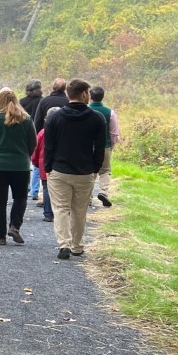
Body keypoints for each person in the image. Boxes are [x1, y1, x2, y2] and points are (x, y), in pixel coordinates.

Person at [44, 78, 106, 260]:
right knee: (79, 210)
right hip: (85, 171)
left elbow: (49, 146)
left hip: (59, 170)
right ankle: (77, 246)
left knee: (61, 209)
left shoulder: (55, 117)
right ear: (84, 94)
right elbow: (100, 147)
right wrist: (96, 168)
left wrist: (48, 167)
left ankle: (63, 243)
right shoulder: (96, 118)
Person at [0, 87, 37, 246]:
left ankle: (0, 237)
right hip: (19, 165)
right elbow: (33, 144)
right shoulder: (26, 119)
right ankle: (14, 226)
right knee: (20, 197)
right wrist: (23, 155)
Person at [88, 86, 119, 207]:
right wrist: (111, 146)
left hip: (88, 146)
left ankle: (88, 197)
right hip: (104, 146)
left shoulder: (86, 110)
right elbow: (114, 133)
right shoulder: (110, 112)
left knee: (89, 172)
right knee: (105, 171)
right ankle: (103, 192)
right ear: (103, 97)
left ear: (90, 97)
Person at [31, 106, 62, 223]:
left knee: (46, 189)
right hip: (60, 165)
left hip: (44, 164)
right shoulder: (64, 131)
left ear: (46, 119)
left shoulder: (42, 133)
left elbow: (36, 150)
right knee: (60, 190)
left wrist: (35, 162)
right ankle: (59, 212)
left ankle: (48, 213)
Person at [20, 80, 44, 198]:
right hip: (40, 133)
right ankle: (36, 189)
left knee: (26, 159)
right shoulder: (42, 101)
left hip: (24, 133)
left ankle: (28, 186)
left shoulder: (22, 102)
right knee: (38, 161)